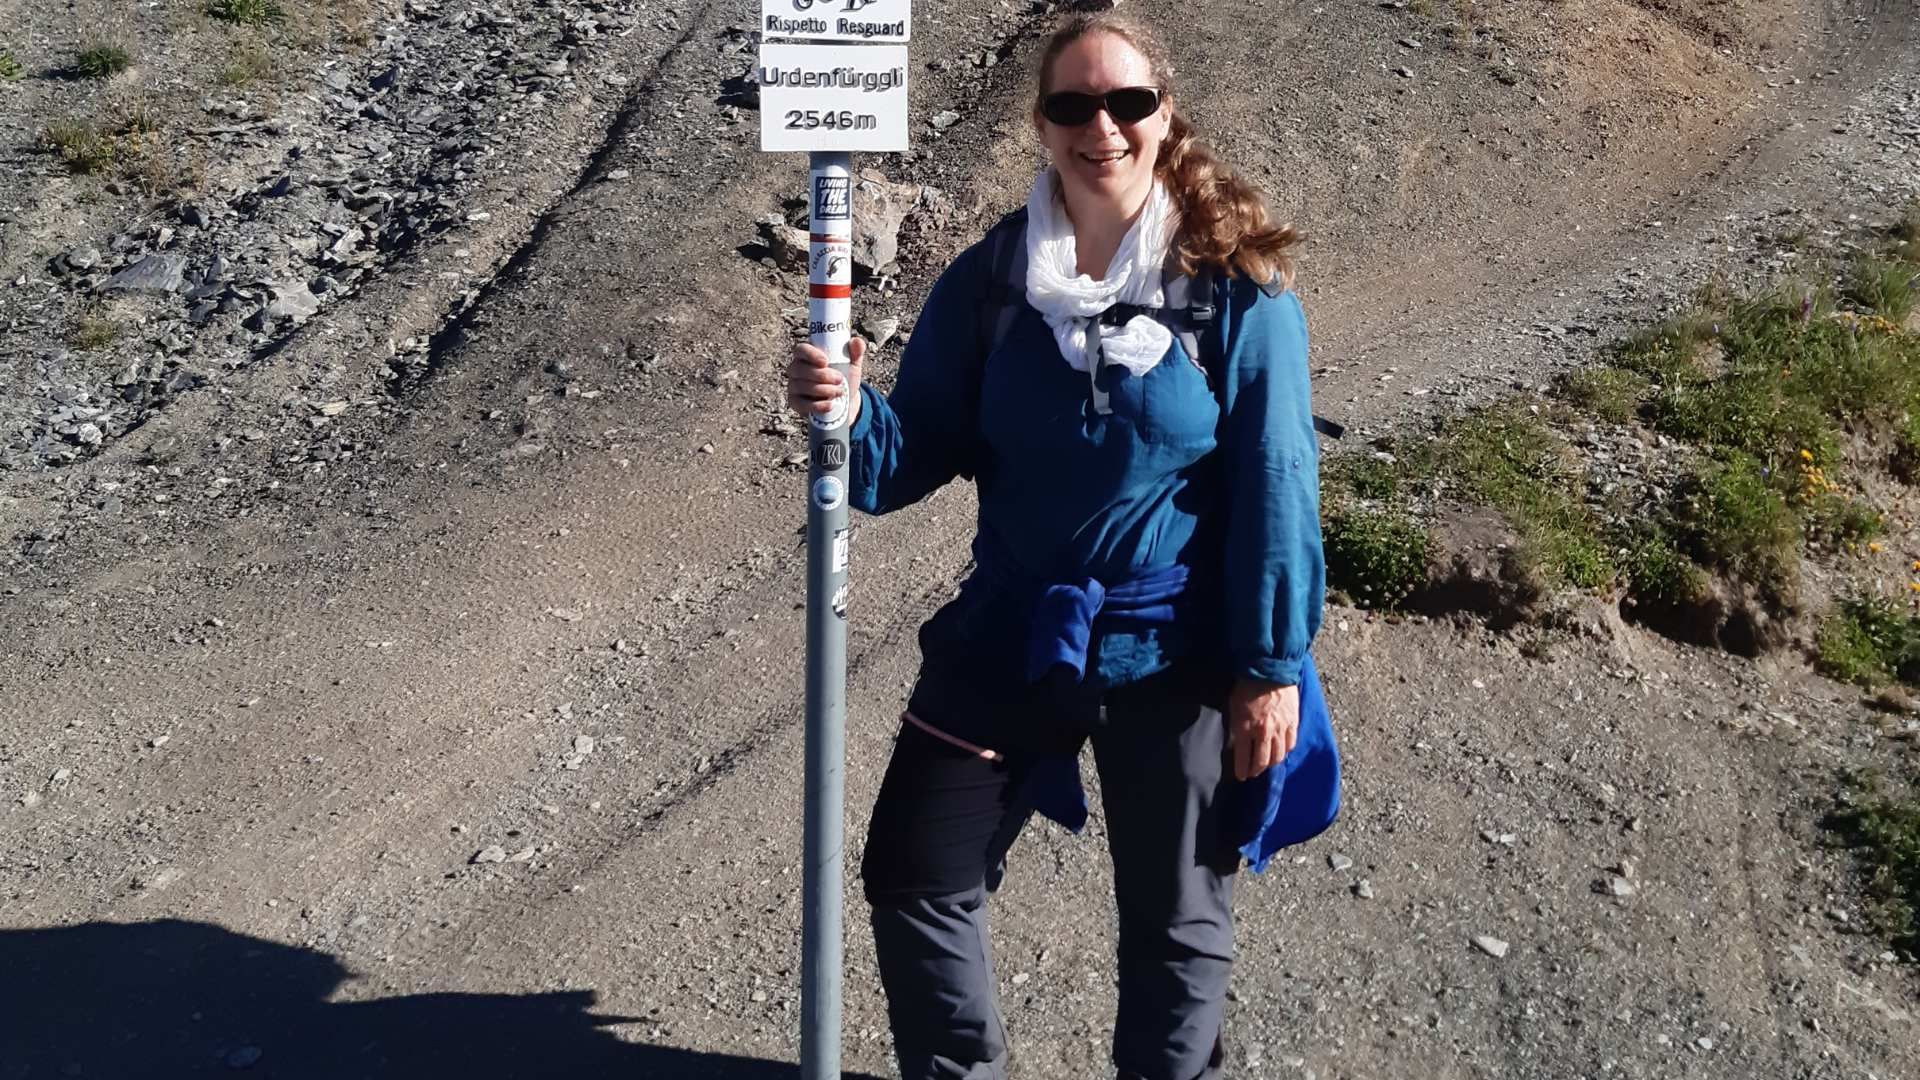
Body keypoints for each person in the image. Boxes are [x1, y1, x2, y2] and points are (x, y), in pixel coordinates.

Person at [786, 14, 1332, 1080]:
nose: (1103, 127)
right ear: (1040, 124)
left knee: (1176, 931)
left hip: (1174, 646)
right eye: (1074, 105)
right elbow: (908, 460)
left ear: (1163, 117)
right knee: (914, 872)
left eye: (1127, 103)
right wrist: (852, 408)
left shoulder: (1236, 290)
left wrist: (1269, 669)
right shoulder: (993, 284)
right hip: (1013, 629)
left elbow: (1278, 480)